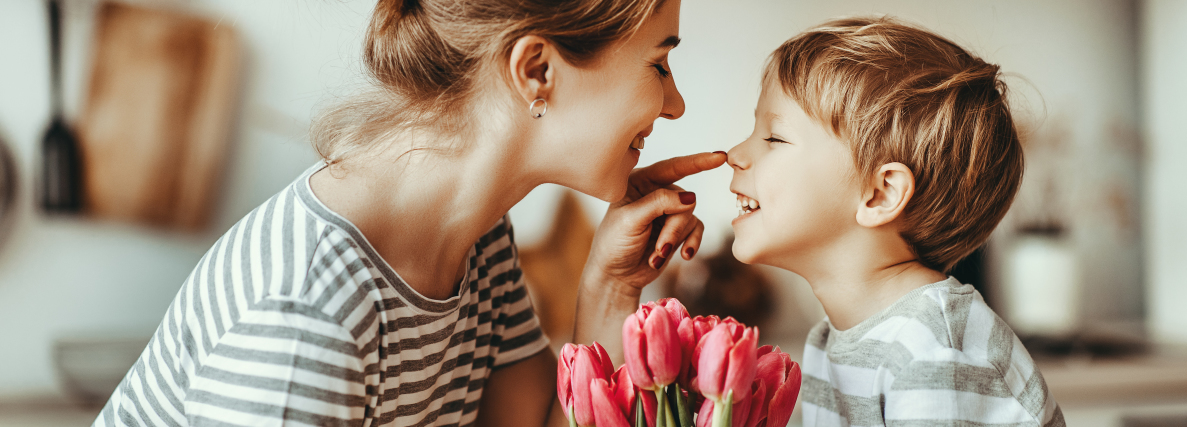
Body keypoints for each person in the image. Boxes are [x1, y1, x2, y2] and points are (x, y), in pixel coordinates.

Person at [92, 0, 725, 425]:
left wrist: (612, 287)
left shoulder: (478, 236)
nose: (675, 105)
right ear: (537, 70)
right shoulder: (306, 316)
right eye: (659, 63)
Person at [725, 17, 1066, 426]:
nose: (735, 153)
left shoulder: (934, 348)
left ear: (881, 193)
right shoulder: (830, 340)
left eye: (774, 138)